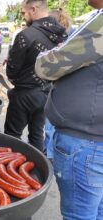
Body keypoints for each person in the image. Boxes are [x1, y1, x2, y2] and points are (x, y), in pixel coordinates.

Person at [35, 1, 103, 219]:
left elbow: (47, 67)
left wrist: (45, 55)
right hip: (94, 141)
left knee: (79, 215)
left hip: (86, 144)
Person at [4, 0, 67, 152]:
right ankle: (36, 173)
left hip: (25, 93)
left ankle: (12, 172)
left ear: (33, 9)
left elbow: (11, 72)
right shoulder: (62, 35)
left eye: (23, 12)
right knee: (37, 135)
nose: (23, 16)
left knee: (11, 137)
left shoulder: (26, 35)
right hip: (47, 94)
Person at [44, 7, 74, 159]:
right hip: (63, 92)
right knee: (51, 126)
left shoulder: (62, 41)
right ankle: (49, 153)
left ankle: (49, 154)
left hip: (59, 91)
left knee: (51, 126)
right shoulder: (72, 36)